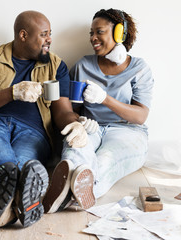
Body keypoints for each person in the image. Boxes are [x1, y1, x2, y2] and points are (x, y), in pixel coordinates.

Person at [0, 10, 94, 236]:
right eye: (44, 34)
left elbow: (62, 113)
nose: (49, 39)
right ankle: (21, 199)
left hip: (32, 132)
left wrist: (76, 123)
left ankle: (3, 210)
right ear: (23, 35)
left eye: (50, 34)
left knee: (25, 164)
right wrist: (12, 93)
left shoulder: (56, 66)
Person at [43, 8, 154, 213]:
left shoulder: (139, 68)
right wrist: (79, 122)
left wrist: (105, 99)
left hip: (127, 132)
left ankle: (77, 192)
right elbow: (71, 109)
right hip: (91, 126)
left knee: (105, 159)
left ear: (119, 33)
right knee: (75, 149)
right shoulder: (83, 65)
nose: (93, 38)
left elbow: (140, 116)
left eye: (99, 32)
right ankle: (67, 189)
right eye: (91, 33)